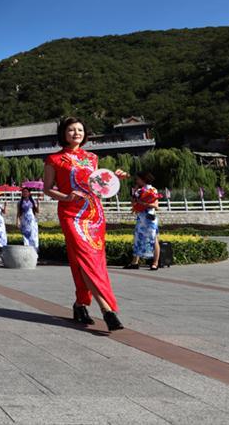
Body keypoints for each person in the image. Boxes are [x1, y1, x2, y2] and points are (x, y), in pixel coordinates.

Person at [44, 117, 128, 331]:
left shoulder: (92, 158)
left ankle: (80, 304)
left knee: (89, 260)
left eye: (79, 129)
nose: (76, 133)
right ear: (63, 133)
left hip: (94, 214)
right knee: (85, 259)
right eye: (71, 130)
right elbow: (47, 188)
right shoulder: (54, 159)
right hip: (71, 214)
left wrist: (113, 178)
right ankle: (107, 310)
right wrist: (65, 197)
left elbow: (96, 184)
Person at [125, 171, 161, 270]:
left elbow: (156, 206)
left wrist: (143, 203)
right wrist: (134, 195)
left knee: (153, 239)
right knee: (137, 238)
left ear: (143, 179)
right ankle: (135, 262)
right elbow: (133, 204)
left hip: (149, 218)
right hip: (141, 218)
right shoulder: (139, 191)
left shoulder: (153, 190)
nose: (136, 180)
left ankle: (155, 263)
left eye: (138, 179)